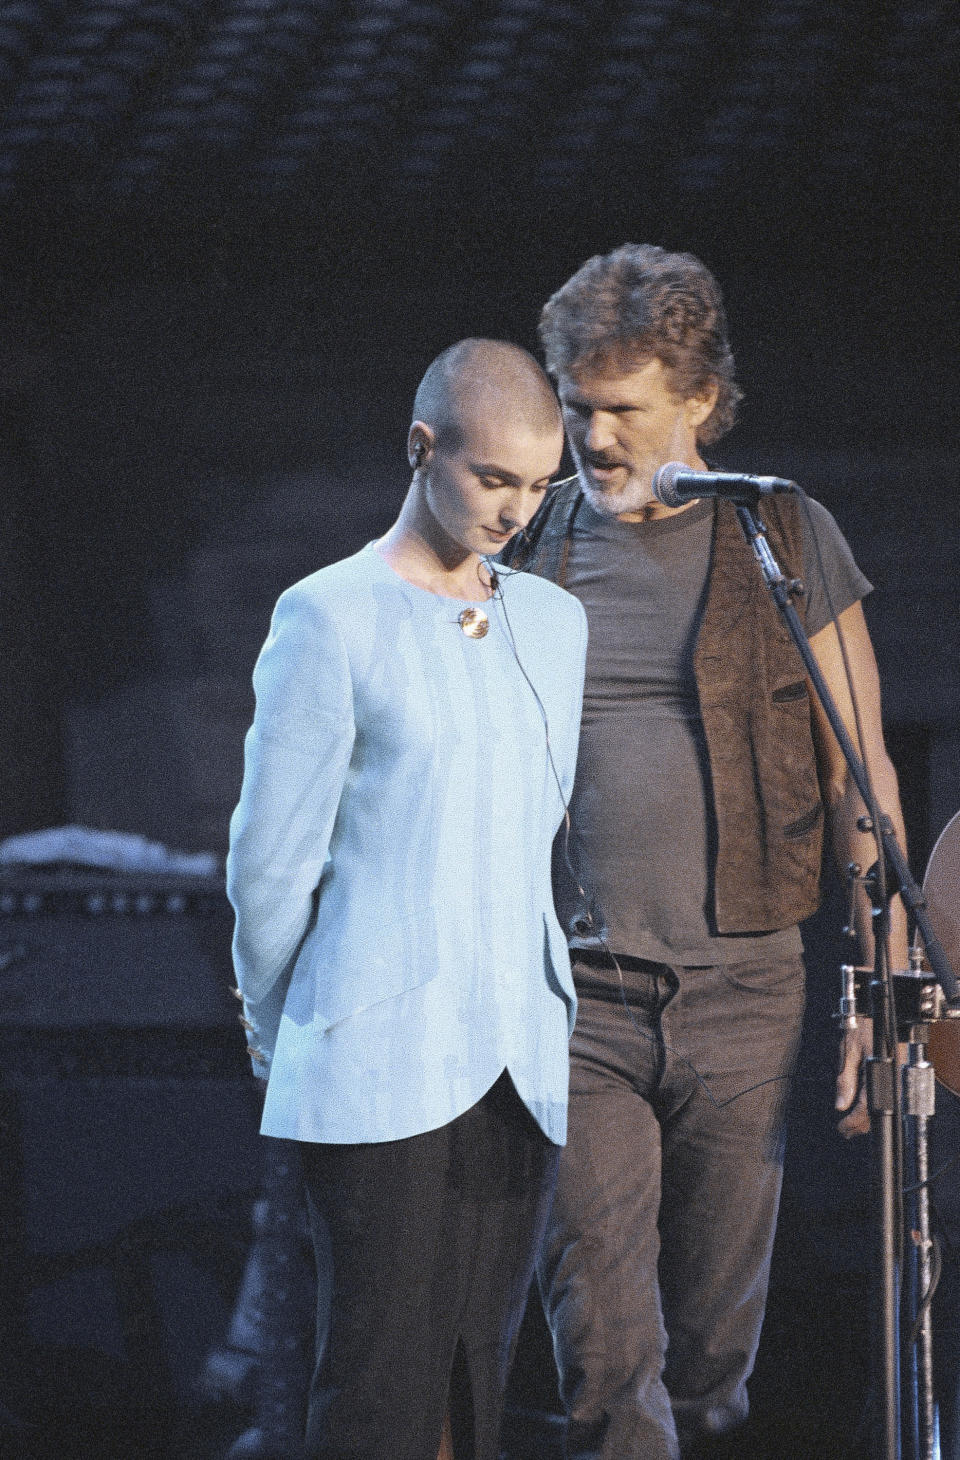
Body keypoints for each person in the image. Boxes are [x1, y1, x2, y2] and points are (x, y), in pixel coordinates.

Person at [500, 243, 908, 1458]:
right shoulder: (533, 541)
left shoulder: (784, 533)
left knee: (709, 1361)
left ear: (699, 400)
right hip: (577, 997)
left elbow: (861, 764)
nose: (595, 436)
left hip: (744, 993)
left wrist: (876, 972)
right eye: (578, 407)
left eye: (623, 408)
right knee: (609, 1359)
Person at [226, 338, 588, 1460]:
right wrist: (271, 1023)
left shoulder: (553, 625)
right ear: (422, 449)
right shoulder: (327, 616)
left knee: (481, 1373)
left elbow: (543, 830)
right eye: (494, 479)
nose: (516, 512)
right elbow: (271, 859)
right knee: (380, 1379)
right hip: (378, 1049)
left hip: (515, 1055)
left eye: (538, 486)